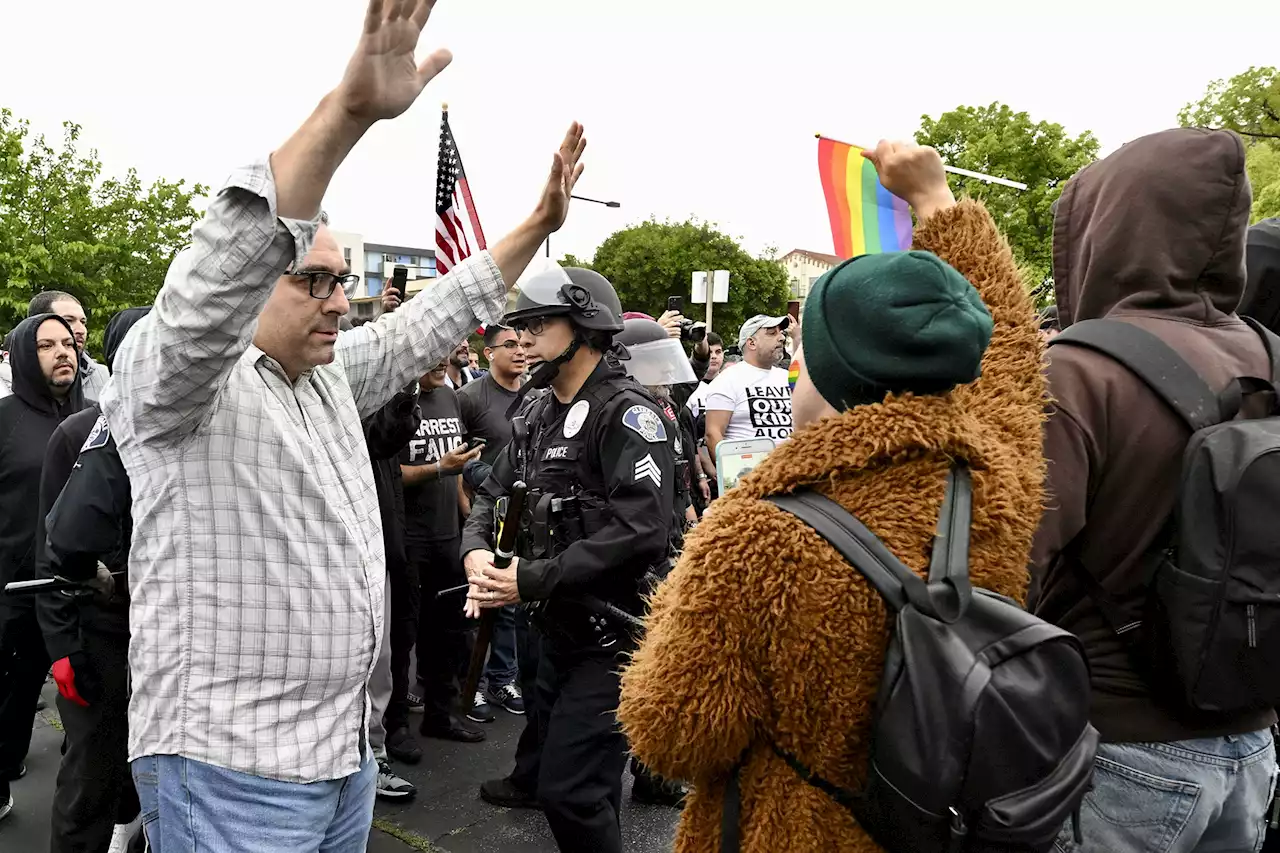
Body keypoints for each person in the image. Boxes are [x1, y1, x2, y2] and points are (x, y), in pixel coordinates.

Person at [98, 1, 589, 846]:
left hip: (339, 760)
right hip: (231, 771)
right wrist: (349, 113)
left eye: (341, 281)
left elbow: (428, 321)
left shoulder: (324, 376)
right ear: (255, 280)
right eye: (314, 281)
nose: (339, 302)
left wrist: (535, 230)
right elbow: (218, 270)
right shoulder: (174, 380)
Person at [618, 141, 1045, 853]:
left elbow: (672, 732)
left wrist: (680, 597)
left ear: (832, 367)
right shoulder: (995, 471)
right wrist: (937, 201)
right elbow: (1011, 357)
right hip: (943, 824)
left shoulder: (757, 533)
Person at [1030, 128, 1278, 853]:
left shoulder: (1079, 368)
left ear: (1107, 226)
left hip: (1120, 748)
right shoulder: (1267, 353)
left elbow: (1006, 562)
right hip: (1252, 739)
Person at [464, 265, 675, 853]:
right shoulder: (536, 413)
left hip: (612, 637)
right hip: (550, 630)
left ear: (585, 324)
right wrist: (475, 549)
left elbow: (642, 529)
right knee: (590, 788)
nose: (523, 340)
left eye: (537, 324)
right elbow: (493, 493)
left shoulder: (626, 414)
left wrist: (531, 578)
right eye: (518, 327)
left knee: (570, 792)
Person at [37, 307, 150, 853]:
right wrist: (62, 650)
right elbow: (51, 554)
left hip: (160, 638)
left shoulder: (181, 431)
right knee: (90, 776)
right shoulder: (78, 433)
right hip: (95, 639)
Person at [0, 313, 84, 823]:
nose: (63, 352)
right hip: (11, 587)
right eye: (46, 345)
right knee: (9, 691)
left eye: (69, 343)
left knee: (78, 701)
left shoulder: (99, 415)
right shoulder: (4, 418)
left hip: (75, 592)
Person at [401, 360, 484, 742]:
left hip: (448, 534)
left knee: (447, 634)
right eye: (430, 354)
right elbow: (388, 471)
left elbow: (457, 464)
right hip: (408, 539)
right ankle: (394, 729)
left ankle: (442, 716)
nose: (441, 361)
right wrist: (438, 468)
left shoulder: (451, 397)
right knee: (402, 639)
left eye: (444, 354)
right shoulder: (395, 401)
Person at [458, 324, 528, 722]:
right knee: (479, 604)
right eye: (510, 344)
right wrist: (469, 511)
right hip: (483, 517)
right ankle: (477, 684)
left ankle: (504, 678)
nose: (520, 351)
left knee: (513, 605)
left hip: (524, 518)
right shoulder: (469, 398)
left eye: (523, 344)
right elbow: (456, 459)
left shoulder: (537, 396)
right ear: (488, 354)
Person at [703, 314, 793, 461]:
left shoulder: (788, 377)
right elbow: (713, 434)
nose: (782, 337)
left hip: (793, 475)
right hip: (750, 478)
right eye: (772, 333)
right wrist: (730, 477)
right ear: (751, 343)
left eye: (781, 332)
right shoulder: (727, 380)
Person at [29, 291, 109, 403]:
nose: (81, 330)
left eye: (83, 322)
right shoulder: (10, 382)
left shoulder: (103, 375)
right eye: (69, 320)